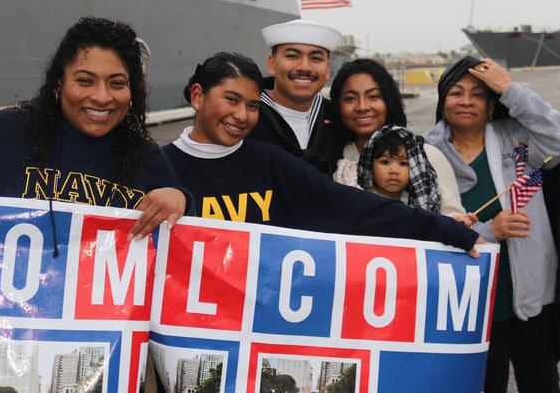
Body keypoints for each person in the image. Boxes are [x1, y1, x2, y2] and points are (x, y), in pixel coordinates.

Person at [160, 52, 483, 253]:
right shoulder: (157, 166)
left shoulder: (271, 164)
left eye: (254, 105)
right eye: (231, 100)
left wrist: (449, 230)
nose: (243, 116)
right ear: (198, 96)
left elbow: (359, 208)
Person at [0, 17, 189, 240]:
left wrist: (180, 199)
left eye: (117, 83)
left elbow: (185, 245)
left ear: (132, 92)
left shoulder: (145, 156)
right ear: (58, 86)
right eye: (84, 80)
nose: (102, 96)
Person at [424, 56, 560, 393]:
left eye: (478, 94)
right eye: (455, 93)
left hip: (530, 297)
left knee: (542, 384)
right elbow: (426, 230)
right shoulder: (425, 155)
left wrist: (512, 90)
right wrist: (489, 232)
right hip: (469, 305)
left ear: (491, 104)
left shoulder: (518, 140)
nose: (466, 101)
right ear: (442, 104)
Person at [329, 58, 469, 221]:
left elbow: (453, 214)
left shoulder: (427, 156)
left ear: (389, 101)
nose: (362, 107)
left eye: (373, 97)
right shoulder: (334, 158)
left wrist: (458, 222)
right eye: (350, 98)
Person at [247, 19, 346, 174]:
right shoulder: (244, 117)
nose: (304, 67)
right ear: (272, 64)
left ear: (327, 69)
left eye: (316, 58)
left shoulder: (340, 119)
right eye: (292, 56)